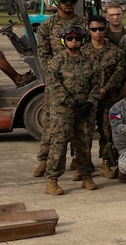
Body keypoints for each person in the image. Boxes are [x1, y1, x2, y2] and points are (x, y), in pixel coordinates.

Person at [42, 25, 101, 195]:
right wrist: (71, 103)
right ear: (64, 41)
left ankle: (85, 174)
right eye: (70, 38)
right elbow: (54, 86)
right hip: (63, 111)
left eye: (77, 38)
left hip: (85, 110)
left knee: (84, 142)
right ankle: (52, 179)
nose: (73, 41)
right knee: (59, 144)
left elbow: (96, 84)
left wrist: (90, 103)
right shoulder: (56, 62)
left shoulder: (91, 61)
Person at [83, 15, 126, 179]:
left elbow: (119, 74)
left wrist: (105, 89)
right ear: (89, 30)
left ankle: (106, 162)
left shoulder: (115, 52)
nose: (98, 33)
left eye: (101, 29)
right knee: (84, 133)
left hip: (109, 99)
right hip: (88, 100)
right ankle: (83, 165)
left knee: (107, 132)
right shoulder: (82, 52)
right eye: (94, 29)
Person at [36, 0, 86, 69]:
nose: (68, 4)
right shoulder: (47, 25)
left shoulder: (84, 23)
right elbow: (43, 52)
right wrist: (50, 71)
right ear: (56, 2)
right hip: (57, 70)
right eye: (64, 1)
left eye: (72, 1)